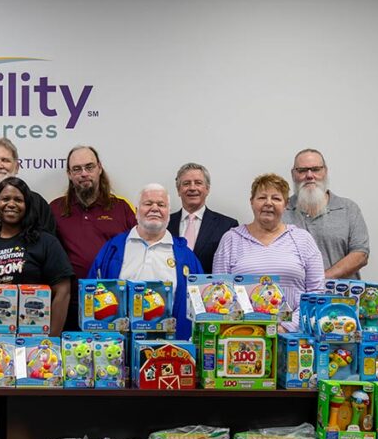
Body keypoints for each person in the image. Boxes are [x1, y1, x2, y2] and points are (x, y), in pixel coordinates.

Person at [88, 184, 202, 339]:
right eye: (148, 203)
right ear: (136, 211)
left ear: (168, 213)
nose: (154, 208)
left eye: (161, 205)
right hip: (119, 347)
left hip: (170, 348)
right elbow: (92, 293)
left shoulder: (186, 256)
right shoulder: (113, 249)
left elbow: (198, 307)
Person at [213, 173, 325, 330]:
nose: (268, 203)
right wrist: (248, 328)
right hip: (242, 335)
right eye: (262, 198)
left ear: (285, 204)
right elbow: (220, 291)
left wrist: (286, 326)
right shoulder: (231, 239)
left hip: (292, 338)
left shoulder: (303, 239)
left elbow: (316, 293)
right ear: (251, 202)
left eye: (276, 198)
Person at [0, 177, 73, 336]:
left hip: (37, 339)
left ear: (27, 205)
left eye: (18, 199)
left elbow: (63, 290)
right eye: (5, 199)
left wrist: (51, 340)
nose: (11, 204)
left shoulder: (45, 242)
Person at [50, 145, 136, 329]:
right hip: (69, 306)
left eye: (89, 167)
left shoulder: (121, 208)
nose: (83, 173)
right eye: (77, 169)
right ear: (69, 174)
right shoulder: (55, 209)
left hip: (113, 305)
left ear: (99, 168)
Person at [283, 148, 370, 279]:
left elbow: (360, 254)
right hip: (294, 296)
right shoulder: (281, 210)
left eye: (316, 169)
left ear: (325, 171)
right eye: (302, 170)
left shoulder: (348, 209)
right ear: (293, 174)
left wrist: (320, 280)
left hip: (341, 297)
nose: (309, 175)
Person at [167, 162, 238, 273]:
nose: (192, 188)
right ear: (178, 190)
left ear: (207, 189)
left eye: (198, 183)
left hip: (209, 288)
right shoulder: (165, 224)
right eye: (186, 183)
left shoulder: (227, 226)